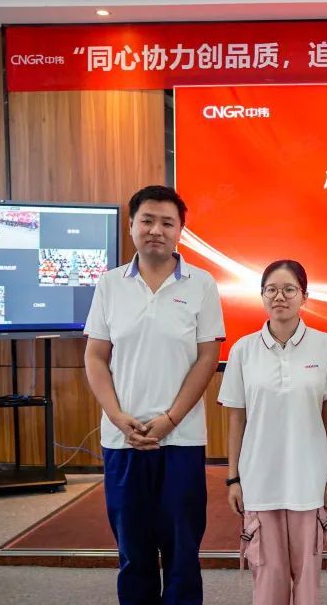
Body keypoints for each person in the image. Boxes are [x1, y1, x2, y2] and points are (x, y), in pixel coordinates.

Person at [84, 184, 225, 604]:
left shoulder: (201, 284)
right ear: (131, 225)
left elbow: (207, 358)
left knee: (182, 550)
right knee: (133, 550)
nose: (156, 230)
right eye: (147, 221)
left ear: (180, 230)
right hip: (123, 440)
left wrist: (170, 420)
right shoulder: (110, 284)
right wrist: (117, 416)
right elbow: (95, 357)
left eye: (167, 222)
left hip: (180, 440)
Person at [219, 259, 327, 605]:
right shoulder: (243, 350)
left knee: (307, 583)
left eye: (289, 289)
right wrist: (233, 478)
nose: (280, 296)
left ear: (305, 296)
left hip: (308, 482)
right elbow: (237, 420)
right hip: (260, 482)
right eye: (271, 289)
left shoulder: (325, 346)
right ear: (261, 296)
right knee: (267, 581)